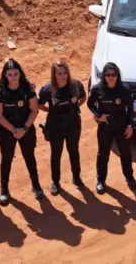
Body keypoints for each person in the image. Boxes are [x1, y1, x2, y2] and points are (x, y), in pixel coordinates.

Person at [0, 58, 42, 205]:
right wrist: (14, 130)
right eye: (10, 75)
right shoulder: (0, 92)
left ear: (20, 74)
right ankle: (4, 189)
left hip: (26, 128)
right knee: (6, 158)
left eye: (15, 74)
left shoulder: (28, 89)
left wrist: (25, 128)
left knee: (29, 157)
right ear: (5, 75)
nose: (13, 77)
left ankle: (36, 185)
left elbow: (34, 109)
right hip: (7, 130)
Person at [38, 60, 87, 196]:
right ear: (54, 75)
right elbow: (39, 104)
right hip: (55, 125)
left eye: (65, 72)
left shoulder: (75, 85)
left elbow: (83, 98)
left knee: (73, 151)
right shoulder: (48, 89)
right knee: (56, 155)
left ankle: (76, 178)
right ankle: (55, 182)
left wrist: (75, 106)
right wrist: (50, 110)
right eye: (59, 73)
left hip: (73, 124)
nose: (63, 76)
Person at [87, 62, 136, 193]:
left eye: (113, 74)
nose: (110, 77)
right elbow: (90, 103)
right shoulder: (98, 89)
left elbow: (130, 109)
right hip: (105, 127)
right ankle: (101, 181)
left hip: (122, 126)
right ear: (104, 76)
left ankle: (129, 177)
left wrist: (130, 126)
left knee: (125, 153)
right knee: (103, 154)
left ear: (117, 75)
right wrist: (99, 115)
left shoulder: (124, 89)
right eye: (107, 74)